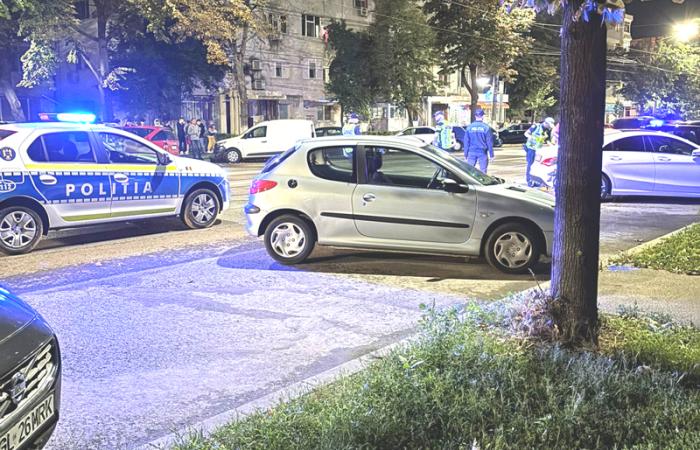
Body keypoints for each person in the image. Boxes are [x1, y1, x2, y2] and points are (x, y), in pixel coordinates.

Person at [523, 117, 555, 186]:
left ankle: (535, 180)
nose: (549, 127)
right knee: (530, 164)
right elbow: (526, 133)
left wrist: (553, 147)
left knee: (537, 165)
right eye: (548, 125)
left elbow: (547, 140)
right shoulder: (536, 126)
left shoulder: (546, 131)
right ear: (545, 123)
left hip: (538, 150)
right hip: (531, 148)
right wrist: (530, 137)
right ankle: (529, 180)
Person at [463, 108, 494, 173]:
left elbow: (466, 142)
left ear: (475, 116)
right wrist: (491, 155)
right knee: (483, 171)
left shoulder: (469, 127)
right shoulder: (486, 128)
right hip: (482, 152)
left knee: (469, 171)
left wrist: (465, 154)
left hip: (471, 152)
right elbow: (489, 142)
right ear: (482, 116)